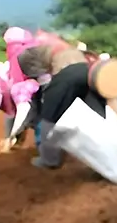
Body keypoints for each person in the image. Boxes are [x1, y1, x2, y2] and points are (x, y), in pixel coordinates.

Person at [16, 38, 111, 169]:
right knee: (98, 117)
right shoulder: (61, 48)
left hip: (68, 77)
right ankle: (107, 155)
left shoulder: (36, 60)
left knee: (48, 121)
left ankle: (49, 160)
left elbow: (45, 82)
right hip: (90, 73)